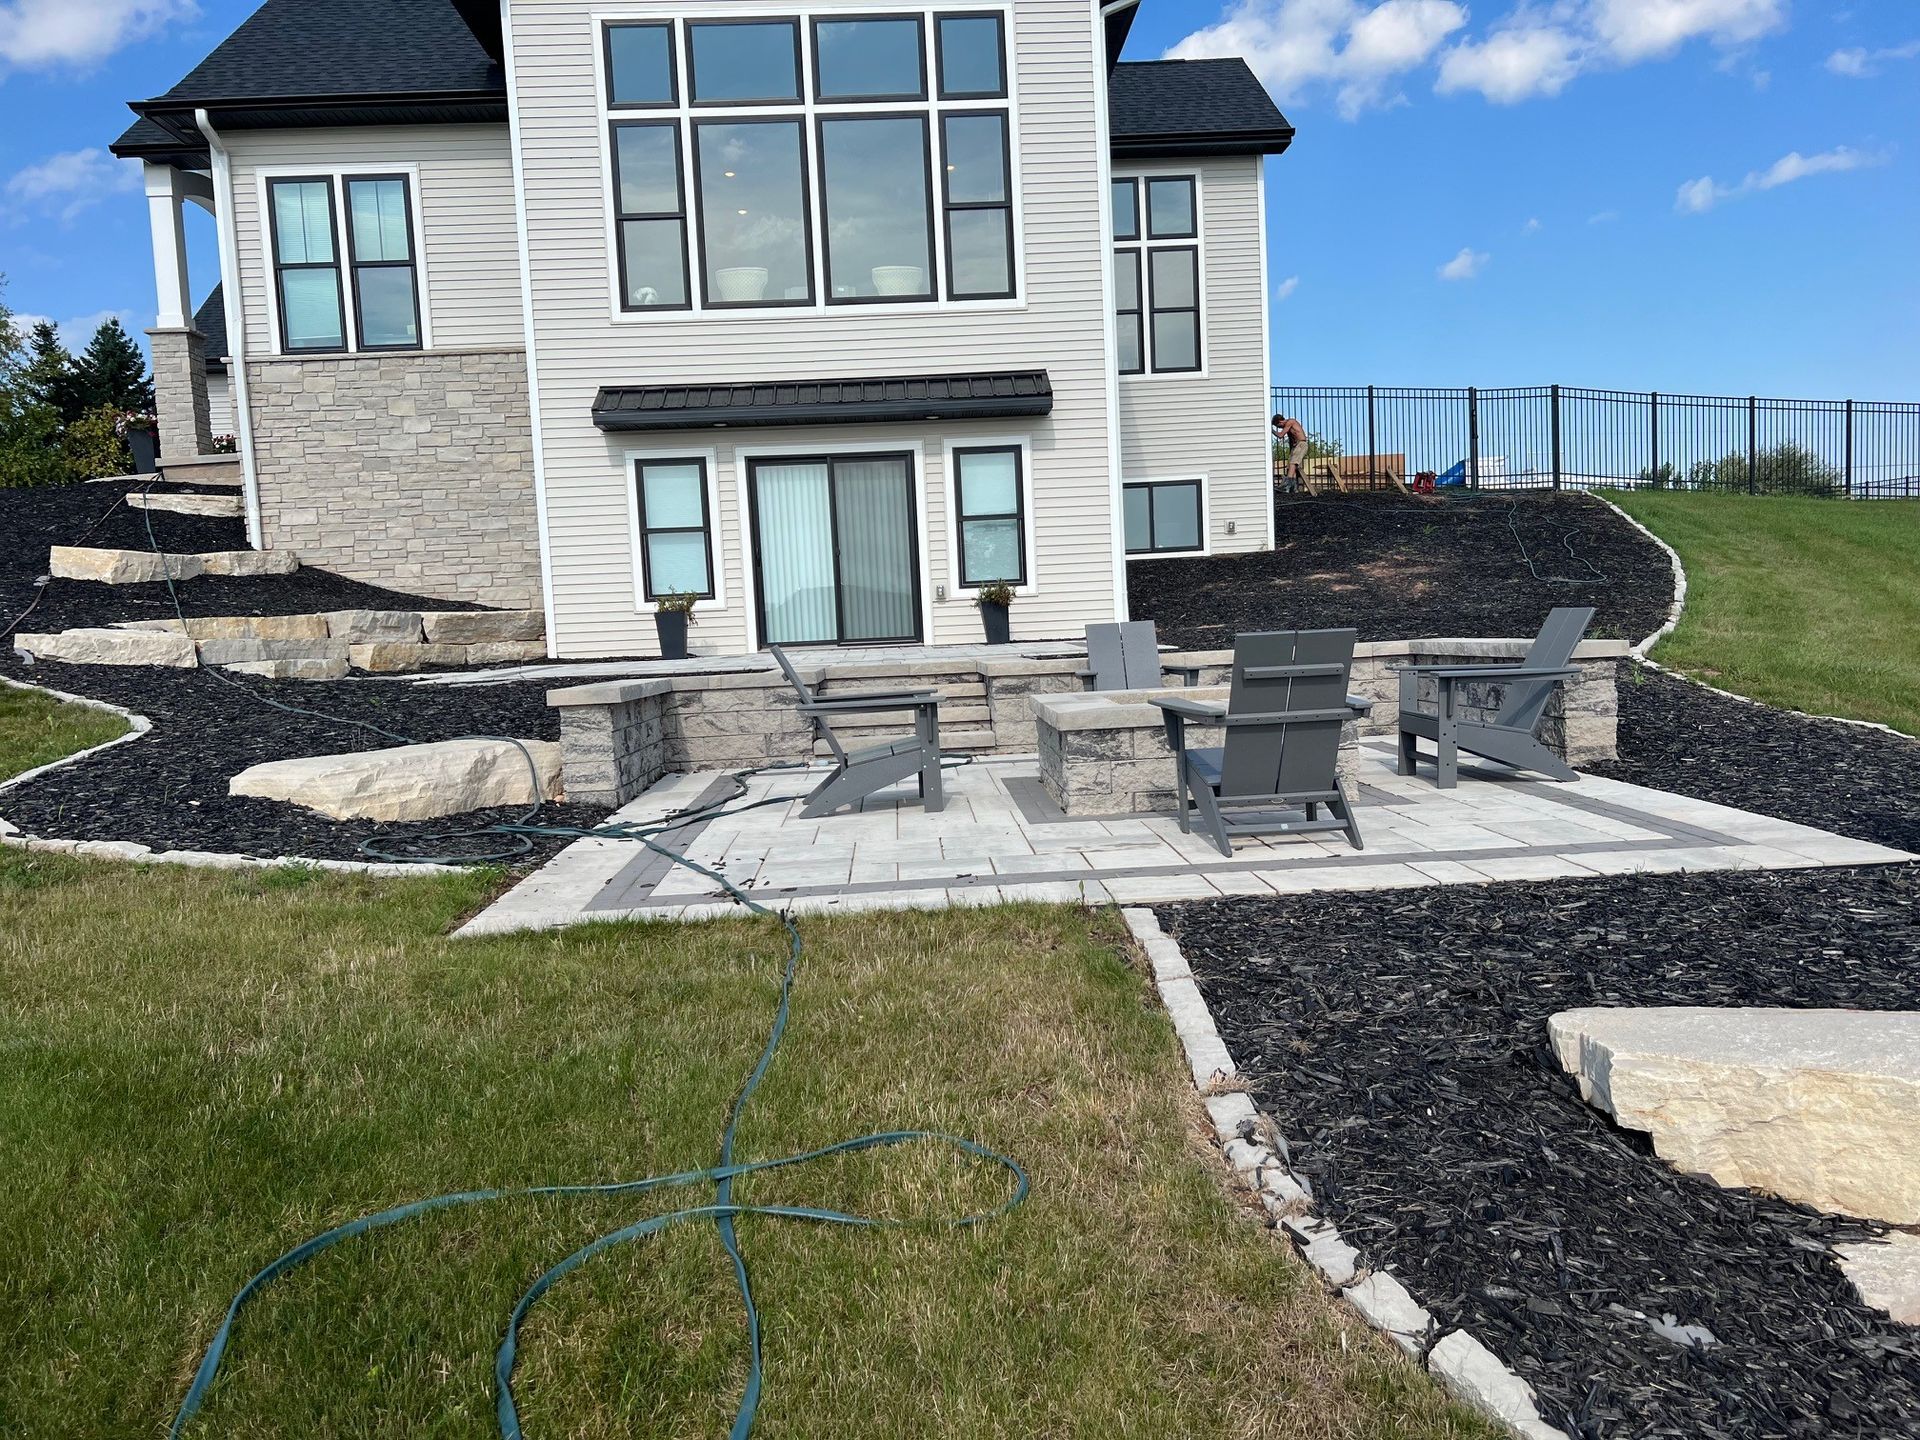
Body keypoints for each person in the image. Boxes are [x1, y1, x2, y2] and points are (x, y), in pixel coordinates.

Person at [1274, 414, 1310, 492]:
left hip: (1301, 444)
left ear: (1280, 422)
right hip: (1295, 447)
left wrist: (1271, 430)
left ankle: (1287, 483)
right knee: (1290, 465)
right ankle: (1292, 488)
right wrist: (1291, 452)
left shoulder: (1290, 422)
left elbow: (1280, 435)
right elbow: (1291, 441)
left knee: (1293, 463)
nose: (1280, 428)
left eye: (1278, 426)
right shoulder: (1288, 428)